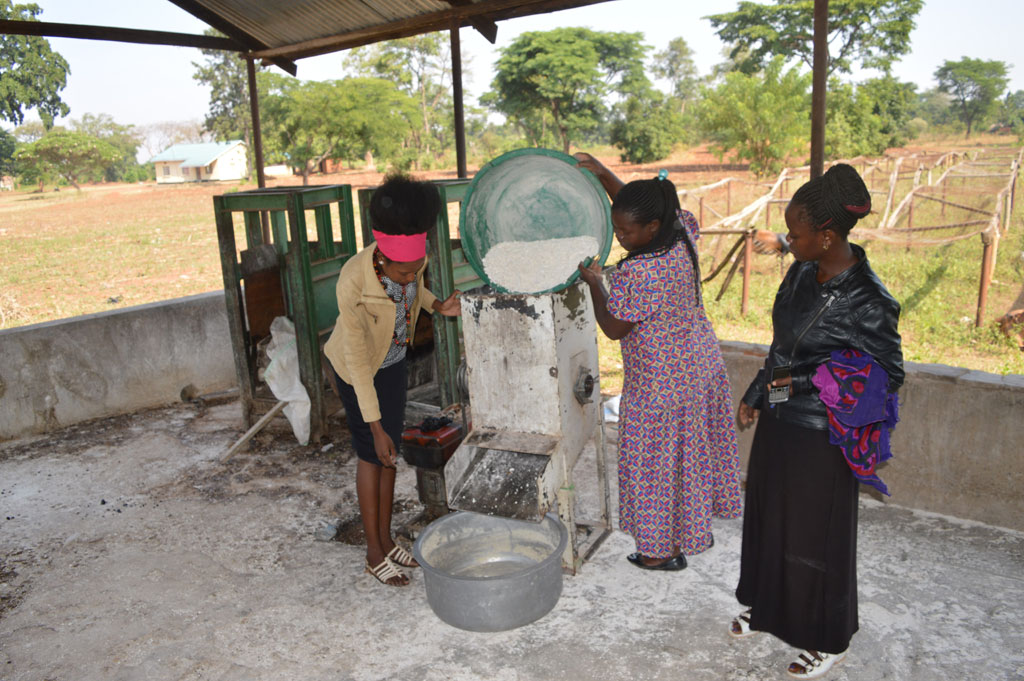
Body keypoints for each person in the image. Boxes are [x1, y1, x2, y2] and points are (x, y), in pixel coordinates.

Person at [730, 163, 903, 678]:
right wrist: (760, 389)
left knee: (817, 535)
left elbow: (887, 373)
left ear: (827, 236)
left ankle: (830, 637)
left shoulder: (869, 300)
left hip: (825, 431)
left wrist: (796, 386)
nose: (789, 239)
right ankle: (768, 608)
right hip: (782, 419)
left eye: (796, 233)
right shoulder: (803, 270)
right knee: (771, 518)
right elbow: (786, 345)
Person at [574, 152, 743, 571]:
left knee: (653, 466)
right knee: (684, 460)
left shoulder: (640, 272)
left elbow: (614, 327)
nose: (619, 238)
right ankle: (682, 536)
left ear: (650, 228)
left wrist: (596, 283)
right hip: (699, 364)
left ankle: (657, 552)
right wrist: (604, 174)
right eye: (616, 228)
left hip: (660, 382)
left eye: (625, 231)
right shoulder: (680, 231)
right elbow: (646, 206)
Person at [323, 175, 460, 587]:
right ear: (382, 260)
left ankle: (385, 538)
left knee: (390, 456)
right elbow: (358, 361)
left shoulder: (409, 267)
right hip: (356, 370)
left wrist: (437, 304)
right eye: (403, 273)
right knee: (373, 453)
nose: (409, 278)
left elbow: (415, 291)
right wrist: (376, 426)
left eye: (416, 269)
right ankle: (373, 552)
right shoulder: (353, 281)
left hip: (393, 361)